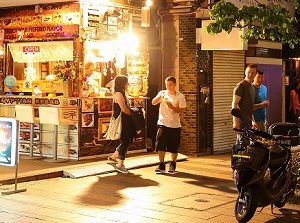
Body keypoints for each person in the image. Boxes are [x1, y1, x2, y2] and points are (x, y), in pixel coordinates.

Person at [152, 76, 186, 173]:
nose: (168, 87)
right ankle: (161, 164)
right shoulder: (162, 93)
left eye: (170, 84)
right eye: (167, 85)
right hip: (162, 122)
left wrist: (172, 107)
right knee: (160, 144)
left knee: (173, 146)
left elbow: (181, 111)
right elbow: (153, 102)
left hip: (175, 125)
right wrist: (160, 97)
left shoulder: (180, 96)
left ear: (175, 84)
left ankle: (173, 163)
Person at [107, 75, 135, 174]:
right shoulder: (118, 94)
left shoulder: (123, 93)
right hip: (123, 120)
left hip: (126, 120)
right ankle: (120, 165)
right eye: (126, 82)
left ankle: (114, 157)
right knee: (126, 141)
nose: (128, 84)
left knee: (128, 140)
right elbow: (124, 109)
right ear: (122, 83)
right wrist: (134, 114)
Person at [232, 64, 257, 129]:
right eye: (249, 72)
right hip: (241, 121)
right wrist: (235, 121)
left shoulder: (252, 87)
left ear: (255, 74)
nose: (250, 74)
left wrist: (253, 121)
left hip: (248, 121)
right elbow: (234, 103)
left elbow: (249, 107)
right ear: (245, 72)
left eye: (253, 73)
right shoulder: (241, 86)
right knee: (241, 139)